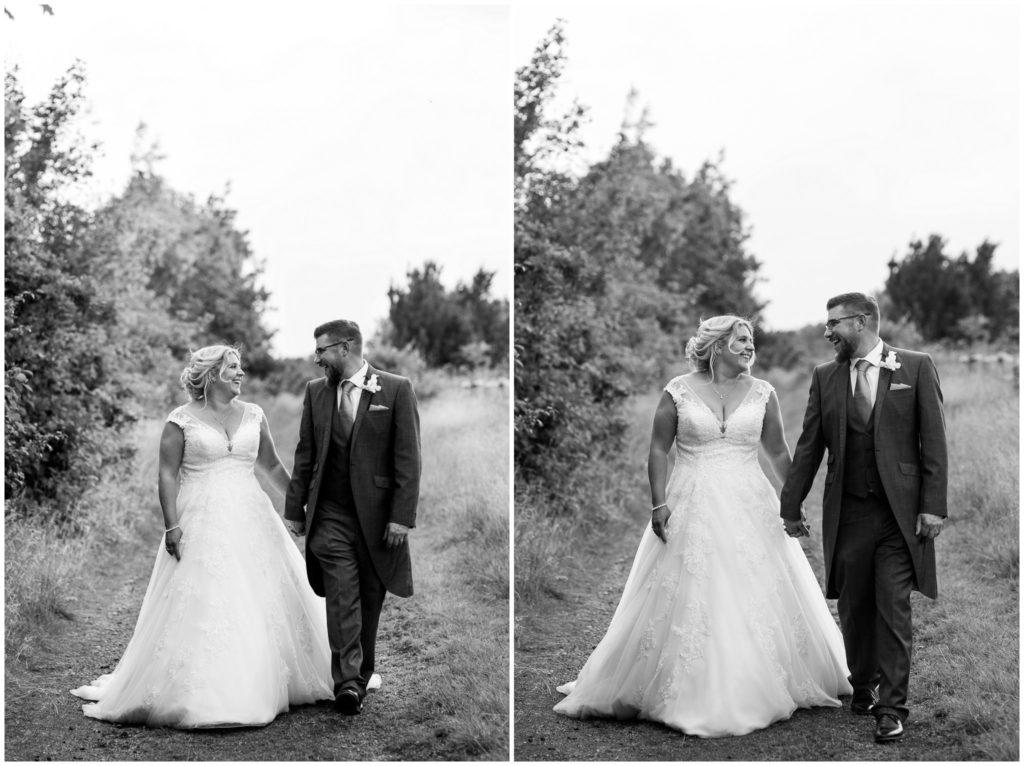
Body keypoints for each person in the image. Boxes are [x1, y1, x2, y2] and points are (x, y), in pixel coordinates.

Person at [554, 315, 852, 738]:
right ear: (716, 346)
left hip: (751, 502)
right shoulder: (678, 390)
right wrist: (658, 502)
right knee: (694, 585)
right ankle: (684, 683)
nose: (750, 347)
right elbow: (659, 448)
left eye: (752, 341)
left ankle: (756, 674)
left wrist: (793, 502)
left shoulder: (763, 393)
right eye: (741, 340)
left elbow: (778, 452)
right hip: (691, 499)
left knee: (754, 586)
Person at [71, 345, 333, 728]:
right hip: (201, 519)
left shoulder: (254, 415)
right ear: (211, 375)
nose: (241, 373)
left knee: (263, 593)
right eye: (232, 367)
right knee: (209, 598)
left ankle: (272, 673)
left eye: (240, 367)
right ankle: (209, 691)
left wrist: (298, 509)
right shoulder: (180, 421)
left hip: (252, 516)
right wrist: (172, 525)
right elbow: (166, 475)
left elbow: (271, 465)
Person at [780, 293, 947, 743]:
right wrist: (790, 506)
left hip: (900, 514)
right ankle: (863, 683)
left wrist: (933, 505)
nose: (827, 331)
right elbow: (810, 445)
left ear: (863, 321)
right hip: (848, 510)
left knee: (893, 606)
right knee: (854, 607)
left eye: (834, 323)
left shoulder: (914, 365)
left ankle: (892, 709)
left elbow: (933, 440)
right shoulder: (825, 376)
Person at [284, 319, 421, 715]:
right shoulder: (315, 393)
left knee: (369, 600)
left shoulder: (396, 389)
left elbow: (408, 460)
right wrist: (296, 509)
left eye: (322, 351)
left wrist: (401, 517)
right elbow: (305, 454)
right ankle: (346, 682)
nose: (317, 360)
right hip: (329, 514)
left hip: (378, 519)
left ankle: (360, 678)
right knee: (341, 595)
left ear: (345, 348)